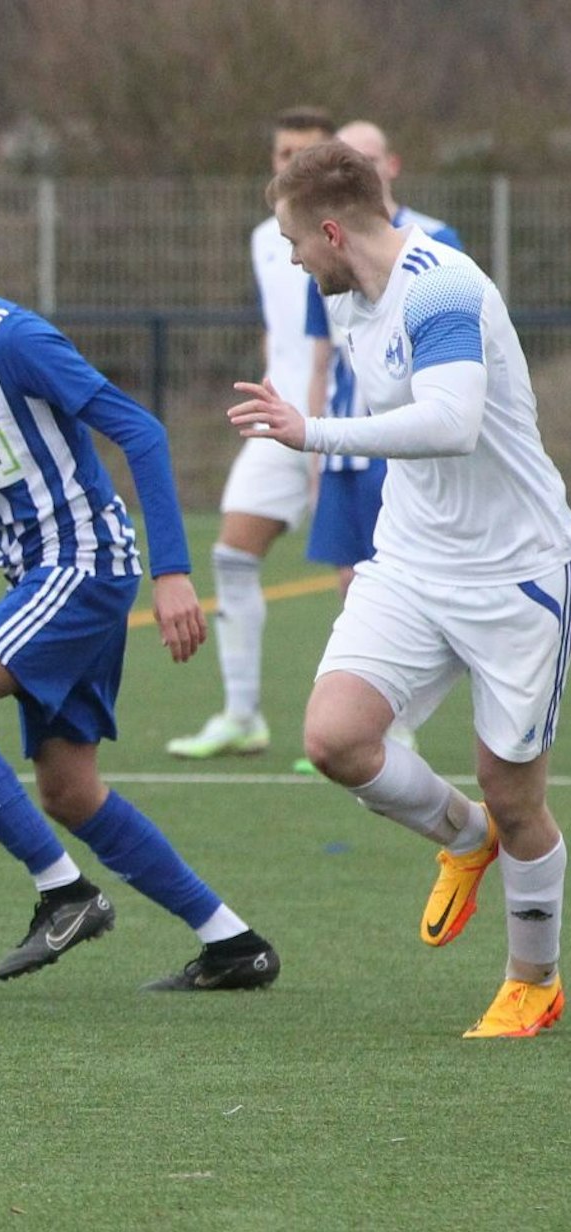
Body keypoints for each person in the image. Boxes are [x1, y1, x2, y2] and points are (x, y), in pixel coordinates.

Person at [0, 180, 281, 991]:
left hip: (81, 565)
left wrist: (172, 572)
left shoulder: (11, 339)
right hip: (38, 574)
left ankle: (65, 893)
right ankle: (233, 944)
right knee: (69, 792)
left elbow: (140, 432)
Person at [231, 141, 571, 1037]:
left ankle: (533, 981)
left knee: (515, 796)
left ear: (330, 232)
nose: (291, 259)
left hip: (512, 575)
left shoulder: (441, 287)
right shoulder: (350, 297)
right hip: (410, 563)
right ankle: (464, 838)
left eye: (292, 241)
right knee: (335, 738)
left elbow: (452, 422)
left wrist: (310, 432)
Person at [168, 107, 338, 760]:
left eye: (305, 153)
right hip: (278, 422)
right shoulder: (264, 237)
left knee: (363, 575)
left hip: (348, 427)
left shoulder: (355, 233)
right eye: (282, 153)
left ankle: (381, 726)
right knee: (231, 555)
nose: (290, 164)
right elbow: (278, 328)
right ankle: (241, 716)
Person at [306, 120, 462, 598]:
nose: (356, 172)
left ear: (391, 166)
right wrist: (314, 456)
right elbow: (320, 360)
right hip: (344, 443)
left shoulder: (435, 241)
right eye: (344, 162)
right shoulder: (321, 251)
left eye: (367, 160)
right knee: (351, 582)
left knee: (407, 579)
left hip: (402, 439)